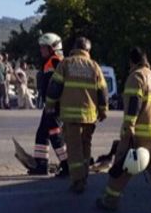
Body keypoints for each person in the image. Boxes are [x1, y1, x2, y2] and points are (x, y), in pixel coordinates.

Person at [96, 47, 151, 213]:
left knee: (122, 167)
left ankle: (110, 200)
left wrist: (128, 126)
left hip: (138, 134)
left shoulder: (136, 76)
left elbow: (134, 103)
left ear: (132, 61)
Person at [45, 37, 108, 194]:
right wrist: (103, 110)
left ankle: (78, 180)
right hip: (89, 116)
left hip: (71, 116)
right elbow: (102, 91)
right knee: (86, 147)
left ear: (74, 48)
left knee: (74, 150)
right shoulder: (94, 66)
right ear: (88, 50)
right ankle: (84, 176)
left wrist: (50, 105)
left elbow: (55, 87)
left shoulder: (66, 64)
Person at [29, 33, 68, 176]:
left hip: (54, 106)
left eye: (44, 47)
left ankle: (67, 164)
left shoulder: (55, 61)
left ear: (52, 48)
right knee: (42, 134)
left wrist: (52, 104)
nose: (41, 50)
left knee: (55, 134)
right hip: (50, 104)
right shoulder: (51, 61)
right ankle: (41, 164)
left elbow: (57, 85)